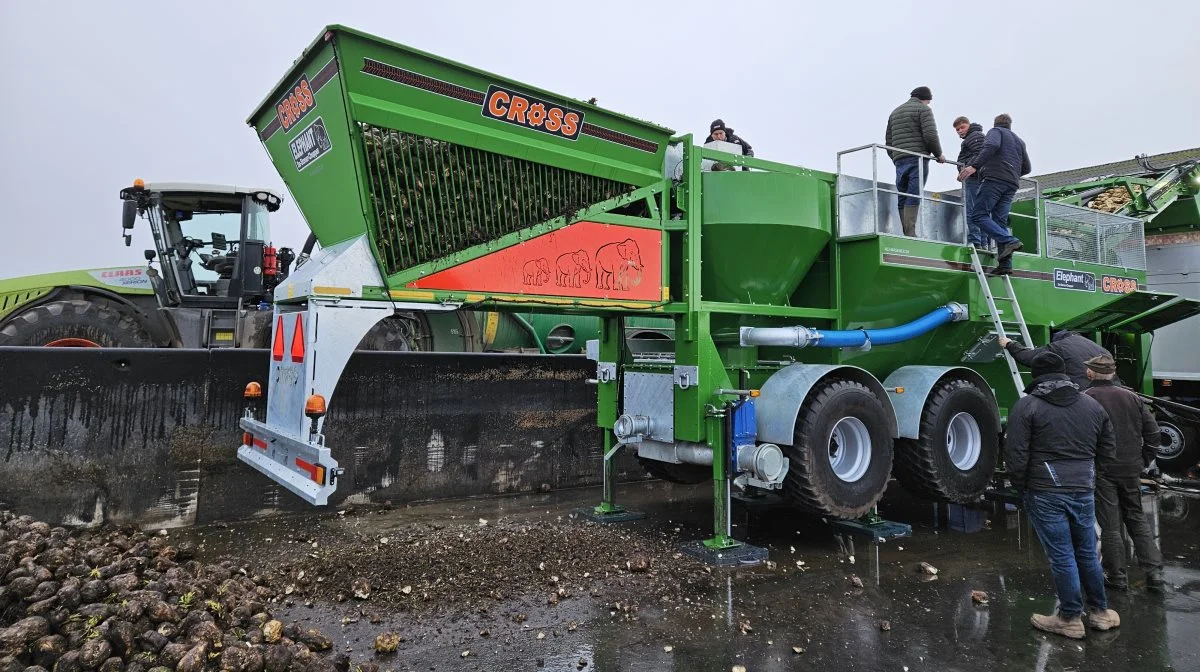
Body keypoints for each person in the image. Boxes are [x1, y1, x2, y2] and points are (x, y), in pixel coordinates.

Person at [1004, 351, 1119, 639]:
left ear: (1036, 376)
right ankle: (1101, 613)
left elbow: (1016, 454)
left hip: (1044, 491)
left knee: (1062, 555)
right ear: (1065, 373)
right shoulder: (1092, 406)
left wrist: (1022, 485)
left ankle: (1068, 617)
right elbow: (1108, 450)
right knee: (1087, 552)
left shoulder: (1027, 406)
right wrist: (1090, 477)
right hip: (1083, 489)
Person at [1082, 354, 1165, 591]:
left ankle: (1116, 577)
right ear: (1113, 373)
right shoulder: (1132, 397)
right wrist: (1143, 460)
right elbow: (1153, 434)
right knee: (1136, 517)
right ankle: (1155, 574)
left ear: (1090, 373)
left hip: (1103, 468)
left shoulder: (1086, 398)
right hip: (1131, 467)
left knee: (1110, 525)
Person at [957, 114, 1031, 275]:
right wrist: (1011, 172)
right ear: (1010, 125)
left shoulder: (995, 132)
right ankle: (1005, 265)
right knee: (999, 222)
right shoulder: (1019, 141)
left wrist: (974, 166)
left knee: (978, 215)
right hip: (1011, 184)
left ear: (996, 124)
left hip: (995, 179)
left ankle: (1011, 240)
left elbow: (990, 146)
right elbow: (1027, 168)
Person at [884, 86, 947, 237]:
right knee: (914, 193)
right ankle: (910, 232)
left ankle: (906, 231)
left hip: (900, 159)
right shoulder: (923, 110)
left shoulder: (895, 112)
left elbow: (888, 141)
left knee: (903, 193)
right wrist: (939, 154)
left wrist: (895, 156)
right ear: (925, 99)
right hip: (917, 158)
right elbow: (930, 135)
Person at [999, 330, 1113, 390]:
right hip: (1110, 394)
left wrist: (1010, 344)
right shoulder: (1101, 349)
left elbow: (1028, 358)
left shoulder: (1060, 346)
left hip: (1082, 394)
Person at [953, 116, 988, 251]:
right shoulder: (975, 136)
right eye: (957, 130)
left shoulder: (974, 136)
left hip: (974, 178)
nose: (960, 131)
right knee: (982, 210)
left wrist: (969, 168)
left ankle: (975, 241)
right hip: (978, 177)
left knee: (972, 210)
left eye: (962, 127)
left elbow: (982, 154)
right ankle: (983, 242)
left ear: (969, 125)